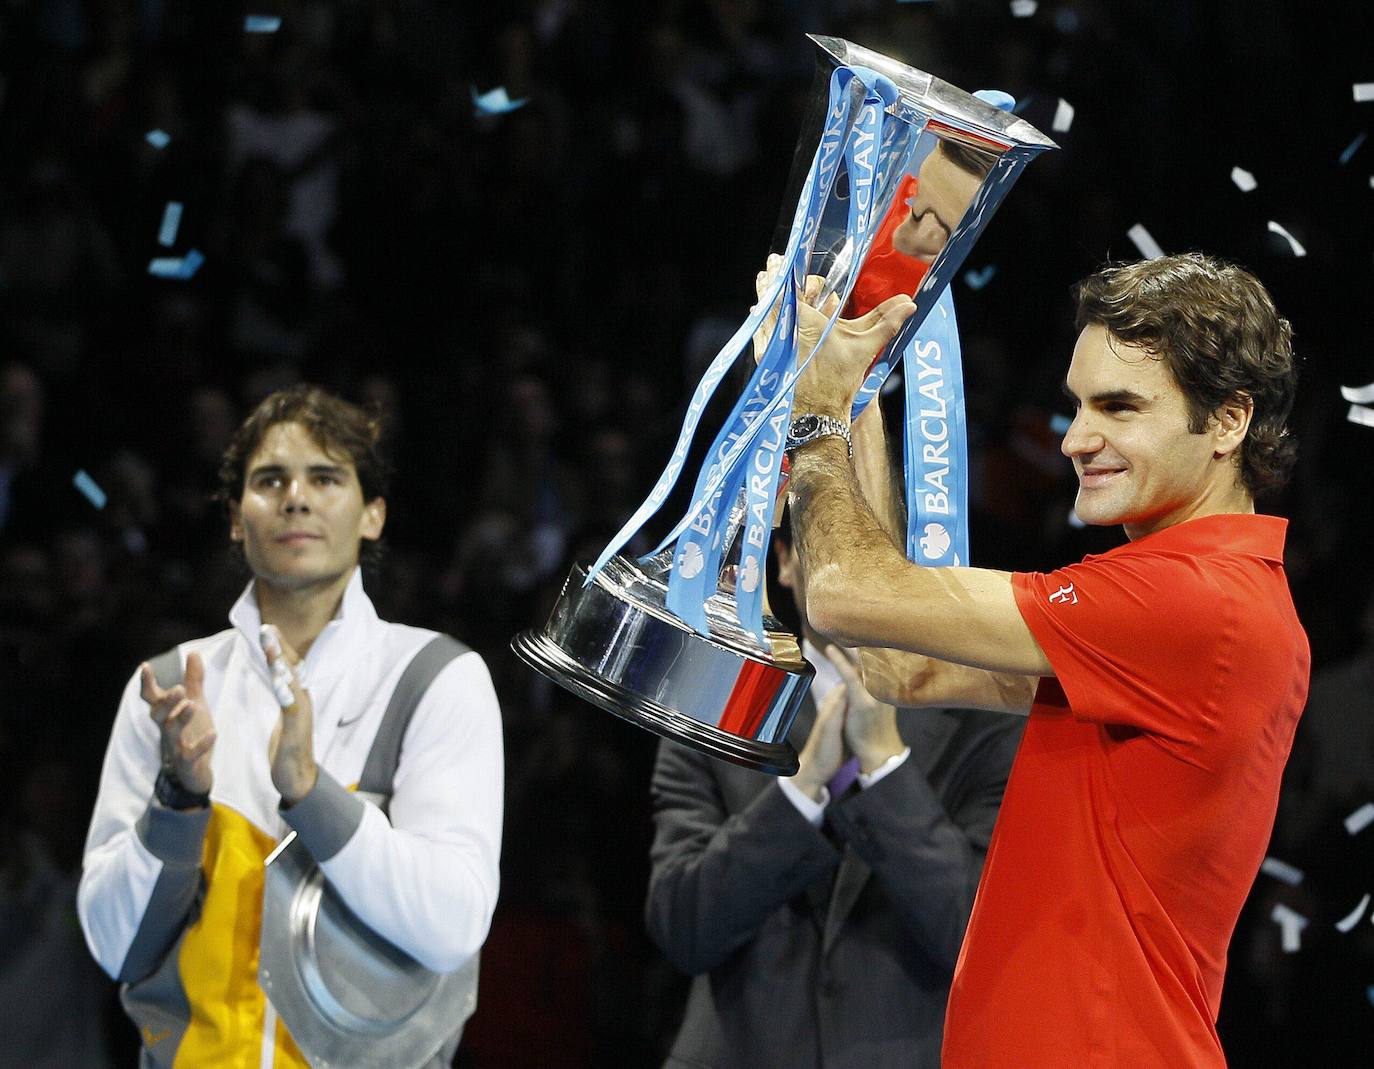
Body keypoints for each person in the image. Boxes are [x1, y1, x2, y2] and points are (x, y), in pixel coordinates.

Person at [773, 251, 1309, 1068]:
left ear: (1228, 422)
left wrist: (813, 412)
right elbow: (891, 663)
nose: (1077, 440)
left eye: (1120, 407)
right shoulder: (1182, 598)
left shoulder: (1197, 604)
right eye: (1079, 406)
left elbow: (844, 592)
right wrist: (851, 394)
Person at [77, 385, 503, 1068]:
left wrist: (312, 794)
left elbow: (452, 926)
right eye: (269, 480)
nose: (296, 497)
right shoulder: (167, 687)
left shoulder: (435, 677)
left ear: (373, 515)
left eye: (325, 478)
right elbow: (113, 945)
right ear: (236, 521)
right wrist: (178, 800)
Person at [645, 505, 1024, 1068]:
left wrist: (884, 764)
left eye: (879, 553)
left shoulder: (991, 715)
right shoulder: (713, 704)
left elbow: (979, 942)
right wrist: (801, 794)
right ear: (786, 563)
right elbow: (683, 928)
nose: (858, 577)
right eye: (833, 546)